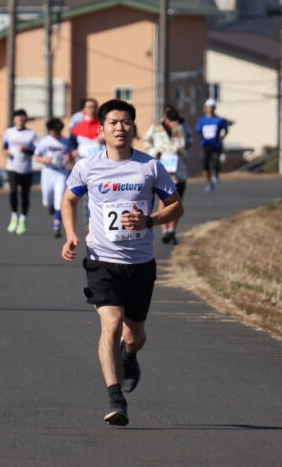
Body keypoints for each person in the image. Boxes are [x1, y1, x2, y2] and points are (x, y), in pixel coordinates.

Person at [60, 99, 184, 427]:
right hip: (102, 260)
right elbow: (69, 199)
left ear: (133, 128)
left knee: (133, 335)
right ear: (100, 130)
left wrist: (149, 221)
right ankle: (116, 399)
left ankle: (130, 357)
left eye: (126, 122)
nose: (120, 127)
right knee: (111, 325)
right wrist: (71, 235)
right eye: (113, 122)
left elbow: (176, 206)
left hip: (141, 263)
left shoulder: (150, 167)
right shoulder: (88, 167)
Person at [144, 106, 190, 244]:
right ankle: (164, 230)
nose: (172, 123)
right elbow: (147, 141)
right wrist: (154, 152)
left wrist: (178, 129)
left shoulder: (182, 126)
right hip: (162, 166)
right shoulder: (156, 127)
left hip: (178, 169)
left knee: (177, 201)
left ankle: (172, 230)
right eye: (170, 120)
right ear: (165, 118)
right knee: (163, 201)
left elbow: (186, 143)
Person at [34, 118, 72, 238]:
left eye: (58, 132)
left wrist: (68, 158)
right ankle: (51, 206)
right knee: (47, 199)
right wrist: (45, 160)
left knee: (60, 198)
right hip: (48, 172)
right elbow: (37, 156)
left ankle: (57, 225)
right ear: (50, 131)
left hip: (61, 172)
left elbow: (70, 154)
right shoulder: (45, 141)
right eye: (54, 132)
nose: (57, 134)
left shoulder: (66, 141)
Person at [3, 109, 38, 234]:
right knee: (12, 192)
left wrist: (25, 150)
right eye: (18, 118)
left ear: (25, 120)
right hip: (12, 167)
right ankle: (14, 216)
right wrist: (5, 152)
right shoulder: (8, 132)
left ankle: (23, 219)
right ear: (14, 119)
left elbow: (36, 151)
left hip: (26, 169)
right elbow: (5, 146)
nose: (20, 121)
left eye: (22, 119)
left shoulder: (31, 134)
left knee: (24, 195)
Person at [195, 98, 228, 192]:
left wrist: (221, 138)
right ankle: (209, 183)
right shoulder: (202, 120)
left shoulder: (219, 120)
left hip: (216, 144)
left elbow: (225, 130)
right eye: (208, 107)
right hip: (206, 144)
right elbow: (198, 131)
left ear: (214, 108)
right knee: (206, 165)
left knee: (216, 162)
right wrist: (201, 139)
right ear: (205, 108)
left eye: (212, 107)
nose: (210, 109)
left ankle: (216, 174)